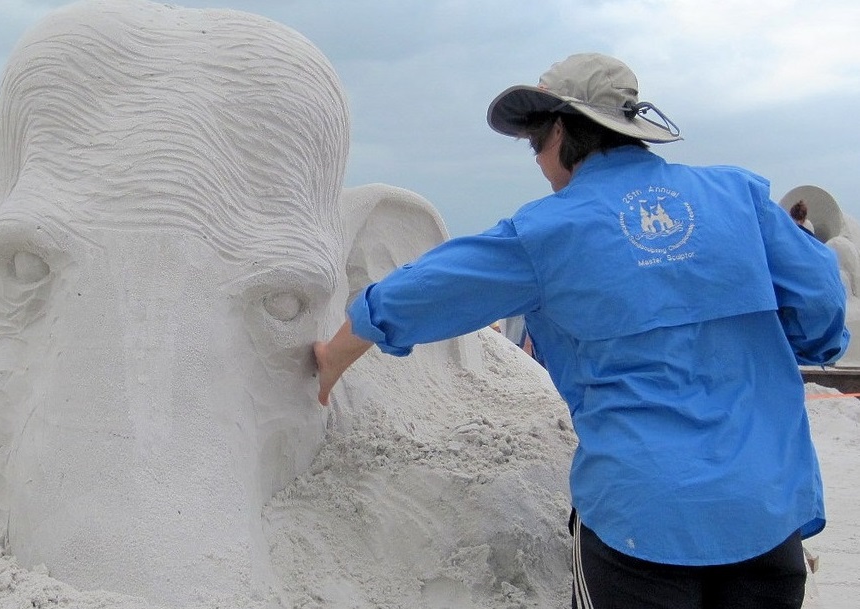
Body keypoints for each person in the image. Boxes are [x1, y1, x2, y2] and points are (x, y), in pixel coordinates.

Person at [312, 52, 849, 609]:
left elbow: (419, 291)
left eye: (535, 145)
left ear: (562, 130)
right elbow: (821, 301)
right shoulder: (739, 197)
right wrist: (804, 344)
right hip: (764, 507)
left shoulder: (546, 231)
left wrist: (335, 355)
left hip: (643, 520)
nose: (540, 165)